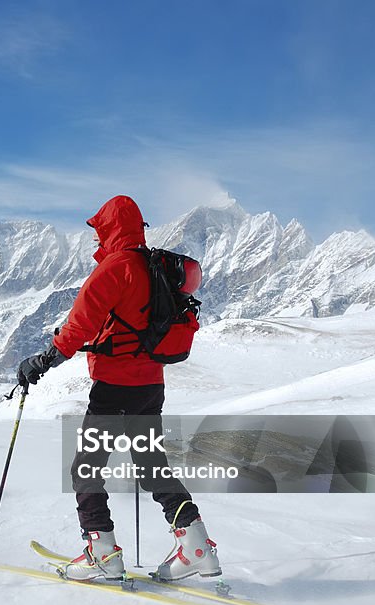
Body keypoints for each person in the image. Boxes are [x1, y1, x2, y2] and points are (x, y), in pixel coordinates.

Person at [16, 195, 221, 582]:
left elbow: (80, 324)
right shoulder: (153, 265)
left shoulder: (117, 267)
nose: (96, 239)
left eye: (99, 231)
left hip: (115, 388)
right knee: (153, 470)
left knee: (86, 468)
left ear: (111, 229)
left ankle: (102, 553)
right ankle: (197, 547)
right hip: (150, 386)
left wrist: (41, 362)